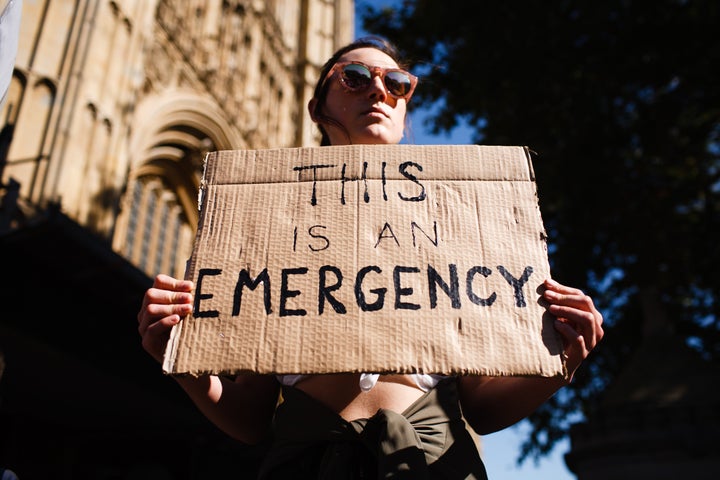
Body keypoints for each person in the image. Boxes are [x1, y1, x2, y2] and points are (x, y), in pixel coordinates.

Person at [137, 36, 604, 479]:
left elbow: (482, 409)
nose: (379, 90)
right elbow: (250, 419)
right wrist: (179, 360)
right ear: (318, 108)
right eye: (355, 77)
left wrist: (562, 363)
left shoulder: (461, 219)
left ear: (405, 112)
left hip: (433, 467)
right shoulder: (262, 218)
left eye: (398, 83)